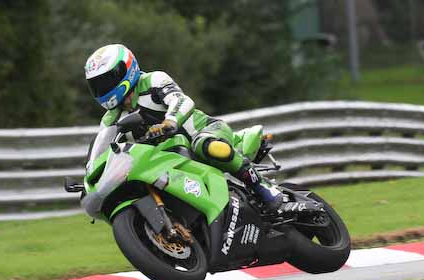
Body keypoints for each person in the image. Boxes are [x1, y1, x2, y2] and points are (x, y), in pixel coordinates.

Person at [84, 44, 283, 210]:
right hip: (168, 157)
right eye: (97, 85)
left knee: (206, 146)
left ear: (127, 69)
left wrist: (170, 122)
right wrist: (90, 180)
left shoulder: (153, 80)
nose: (103, 89)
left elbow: (181, 100)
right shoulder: (110, 119)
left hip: (203, 130)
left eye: (107, 80)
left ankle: (261, 186)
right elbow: (103, 149)